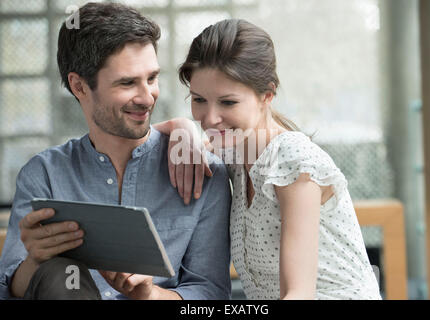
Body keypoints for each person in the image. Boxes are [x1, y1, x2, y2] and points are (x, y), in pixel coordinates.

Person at [0, 2, 231, 300]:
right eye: (127, 83)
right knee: (57, 272)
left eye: (152, 78)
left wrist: (150, 295)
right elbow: (8, 290)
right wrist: (35, 261)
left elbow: (210, 294)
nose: (147, 97)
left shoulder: (203, 170)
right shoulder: (44, 174)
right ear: (80, 86)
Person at [167, 19, 382, 300]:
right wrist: (178, 126)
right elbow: (158, 135)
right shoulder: (232, 148)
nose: (210, 118)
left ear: (266, 95)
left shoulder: (293, 160)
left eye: (228, 102)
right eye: (198, 100)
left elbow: (299, 294)